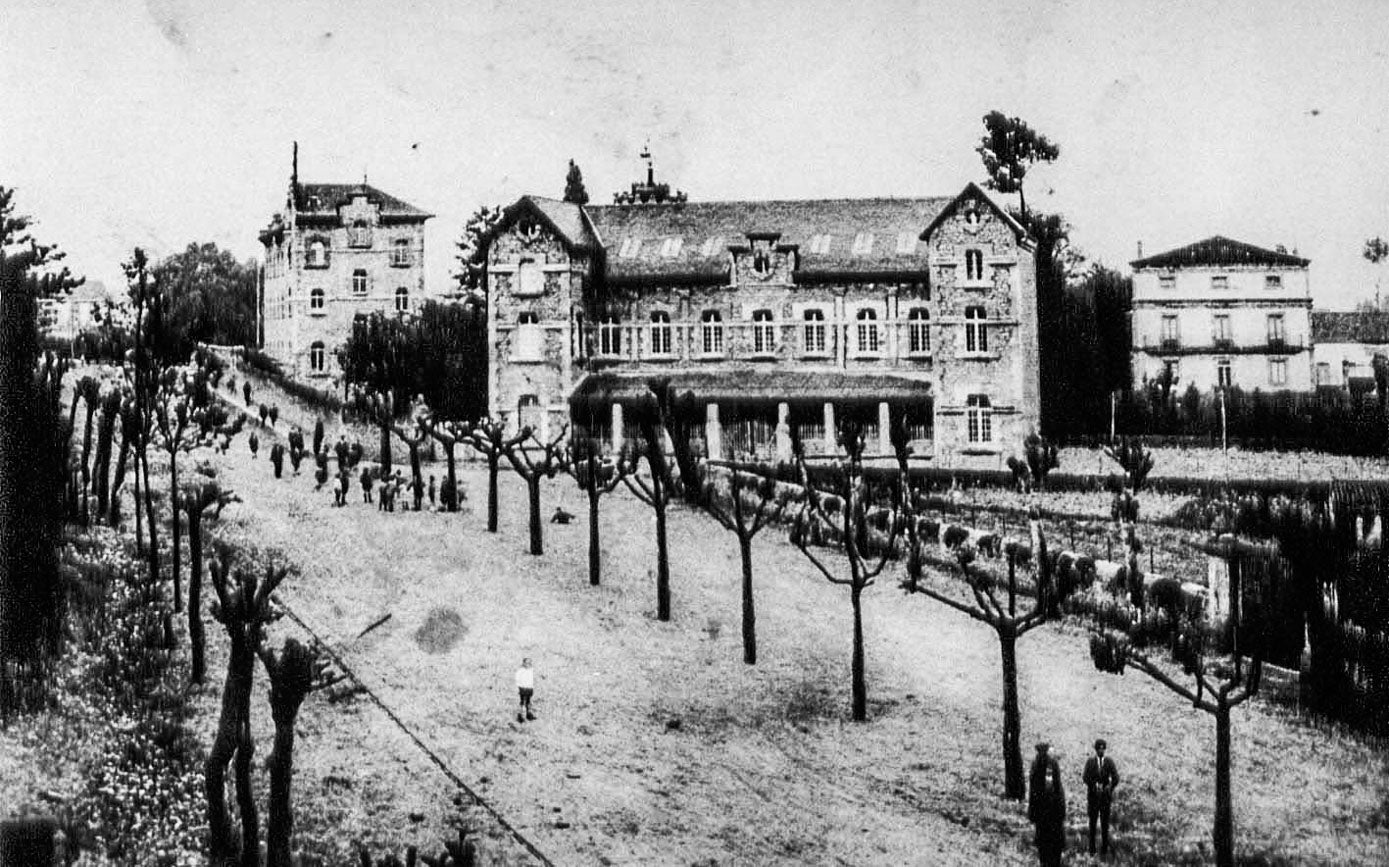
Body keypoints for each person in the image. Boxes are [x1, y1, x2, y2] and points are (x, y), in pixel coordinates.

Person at [1028, 742, 1066, 867]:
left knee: (1044, 849)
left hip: (1042, 815)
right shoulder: (1050, 766)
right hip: (1052, 815)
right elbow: (1055, 791)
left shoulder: (1035, 765)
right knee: (1053, 849)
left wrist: (1032, 813)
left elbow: (1032, 793)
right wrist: (1061, 810)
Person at [1083, 738, 1120, 857]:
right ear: (1095, 749)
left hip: (1105, 798)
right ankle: (1092, 849)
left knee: (1105, 824)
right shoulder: (1090, 762)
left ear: (1105, 749)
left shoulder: (1109, 762)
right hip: (1093, 797)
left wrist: (1109, 788)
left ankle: (1104, 849)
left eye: (1103, 748)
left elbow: (1116, 778)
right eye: (1099, 748)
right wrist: (1093, 785)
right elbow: (1085, 777)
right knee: (1092, 824)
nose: (1101, 751)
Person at [515, 657, 536, 722]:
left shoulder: (531, 670)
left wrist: (531, 687)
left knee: (528, 702)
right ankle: (520, 716)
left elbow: (531, 679)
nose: (528, 664)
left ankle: (528, 714)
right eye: (527, 663)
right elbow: (517, 679)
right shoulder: (521, 671)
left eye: (530, 663)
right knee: (522, 702)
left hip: (529, 688)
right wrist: (519, 687)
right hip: (523, 688)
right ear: (523, 663)